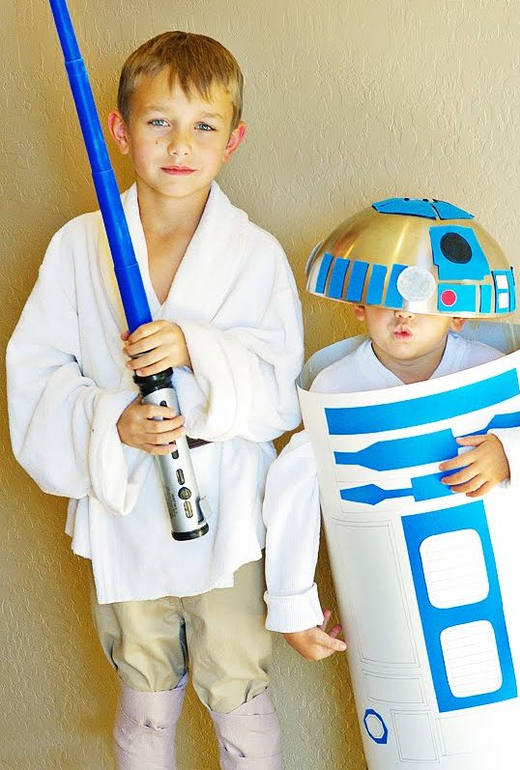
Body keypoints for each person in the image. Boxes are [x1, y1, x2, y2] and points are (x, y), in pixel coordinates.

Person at [7, 31, 303, 770]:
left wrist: (194, 346)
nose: (179, 144)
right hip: (125, 510)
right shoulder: (77, 248)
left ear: (232, 140)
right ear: (118, 129)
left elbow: (279, 393)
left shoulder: (255, 254)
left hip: (225, 515)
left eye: (203, 125)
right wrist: (114, 422)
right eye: (158, 121)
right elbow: (36, 373)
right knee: (142, 689)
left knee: (237, 683)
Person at [262, 301, 520, 661]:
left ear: (458, 314)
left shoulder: (488, 366)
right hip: (402, 602)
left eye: (425, 298)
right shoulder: (336, 387)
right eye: (389, 297)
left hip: (516, 589)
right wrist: (292, 607)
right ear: (360, 306)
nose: (405, 313)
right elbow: (294, 484)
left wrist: (511, 451)